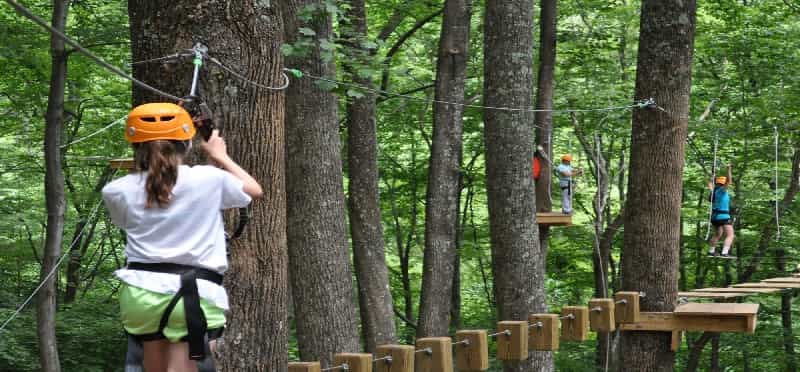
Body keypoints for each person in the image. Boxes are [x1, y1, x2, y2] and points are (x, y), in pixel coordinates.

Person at [102, 103, 263, 372]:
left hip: (141, 295)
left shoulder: (116, 190)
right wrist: (219, 155)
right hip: (196, 294)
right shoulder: (209, 179)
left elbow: (127, 219)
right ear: (186, 144)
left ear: (134, 145)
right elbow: (254, 190)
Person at [708, 164, 734, 258]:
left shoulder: (713, 191)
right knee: (730, 235)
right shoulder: (722, 191)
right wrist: (729, 170)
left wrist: (712, 175)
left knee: (718, 234)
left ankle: (711, 251)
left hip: (714, 217)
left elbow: (710, 184)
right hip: (723, 217)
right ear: (723, 184)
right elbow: (729, 180)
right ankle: (724, 252)